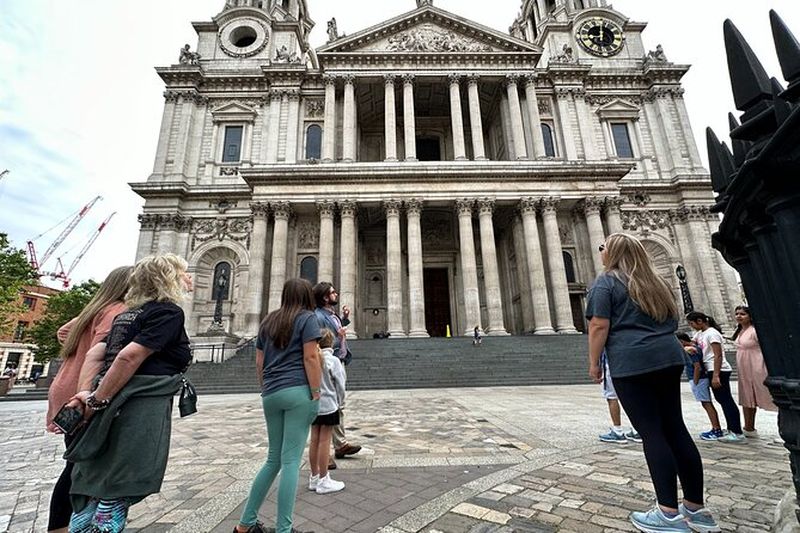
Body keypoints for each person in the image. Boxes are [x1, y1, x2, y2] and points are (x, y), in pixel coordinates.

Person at [587, 234, 719, 533]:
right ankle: (696, 509)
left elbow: (598, 324)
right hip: (668, 357)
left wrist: (594, 363)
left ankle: (668, 513)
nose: (601, 252)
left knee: (652, 433)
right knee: (675, 428)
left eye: (603, 247)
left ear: (613, 252)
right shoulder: (657, 283)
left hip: (633, 360)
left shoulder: (606, 282)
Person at [65, 254, 194, 533]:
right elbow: (128, 356)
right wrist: (96, 400)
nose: (190, 278)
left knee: (101, 483)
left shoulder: (126, 315)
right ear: (169, 279)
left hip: (114, 398)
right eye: (184, 273)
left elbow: (95, 354)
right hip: (141, 402)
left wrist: (86, 393)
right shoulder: (168, 312)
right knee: (123, 482)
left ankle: (82, 524)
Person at [45, 266, 132, 533]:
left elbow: (63, 333)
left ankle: (66, 525)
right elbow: (101, 353)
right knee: (80, 467)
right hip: (82, 393)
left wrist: (78, 348)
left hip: (65, 387)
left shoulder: (93, 311)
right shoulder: (118, 311)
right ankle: (64, 526)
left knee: (76, 462)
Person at [235, 278, 322, 533]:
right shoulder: (308, 319)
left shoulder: (268, 321)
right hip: (298, 391)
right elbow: (311, 357)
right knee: (291, 462)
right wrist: (316, 393)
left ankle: (244, 525)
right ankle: (284, 529)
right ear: (307, 296)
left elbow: (259, 362)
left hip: (271, 393)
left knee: (273, 459)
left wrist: (266, 388)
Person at [313, 282, 361, 467]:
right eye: (333, 292)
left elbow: (333, 329)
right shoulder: (318, 316)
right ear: (325, 297)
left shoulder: (330, 314)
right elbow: (320, 339)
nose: (336, 294)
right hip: (327, 361)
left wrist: (345, 319)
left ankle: (340, 445)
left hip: (337, 359)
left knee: (336, 406)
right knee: (329, 407)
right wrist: (339, 336)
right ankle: (326, 455)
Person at [686, 311, 744, 443]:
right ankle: (732, 429)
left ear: (700, 321)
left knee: (726, 400)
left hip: (719, 369)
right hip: (710, 369)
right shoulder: (700, 333)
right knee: (722, 399)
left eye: (692, 323)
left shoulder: (712, 333)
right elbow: (690, 343)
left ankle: (736, 432)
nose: (691, 326)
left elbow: (718, 355)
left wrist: (716, 376)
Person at [307, 329, 346, 495]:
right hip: (329, 405)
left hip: (313, 405)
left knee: (314, 440)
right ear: (331, 343)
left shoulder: (312, 358)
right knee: (325, 441)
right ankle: (324, 480)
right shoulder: (333, 361)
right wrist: (341, 402)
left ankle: (314, 477)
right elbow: (340, 385)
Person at [731, 306, 777, 436]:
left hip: (757, 367)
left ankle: (782, 428)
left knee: (769, 396)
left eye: (742, 314)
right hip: (745, 370)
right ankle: (749, 428)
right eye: (737, 314)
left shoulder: (755, 331)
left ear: (750, 316)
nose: (739, 316)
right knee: (747, 397)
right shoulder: (740, 331)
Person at [676, 332, 723, 441]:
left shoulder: (692, 351)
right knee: (705, 403)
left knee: (706, 403)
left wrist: (695, 381)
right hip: (700, 379)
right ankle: (716, 428)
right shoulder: (693, 348)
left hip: (699, 379)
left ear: (682, 341)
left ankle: (716, 428)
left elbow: (697, 367)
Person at [598, 350, 642, 444]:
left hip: (612, 361)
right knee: (633, 396)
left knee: (611, 397)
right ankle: (637, 429)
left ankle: (617, 431)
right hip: (631, 361)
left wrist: (594, 364)